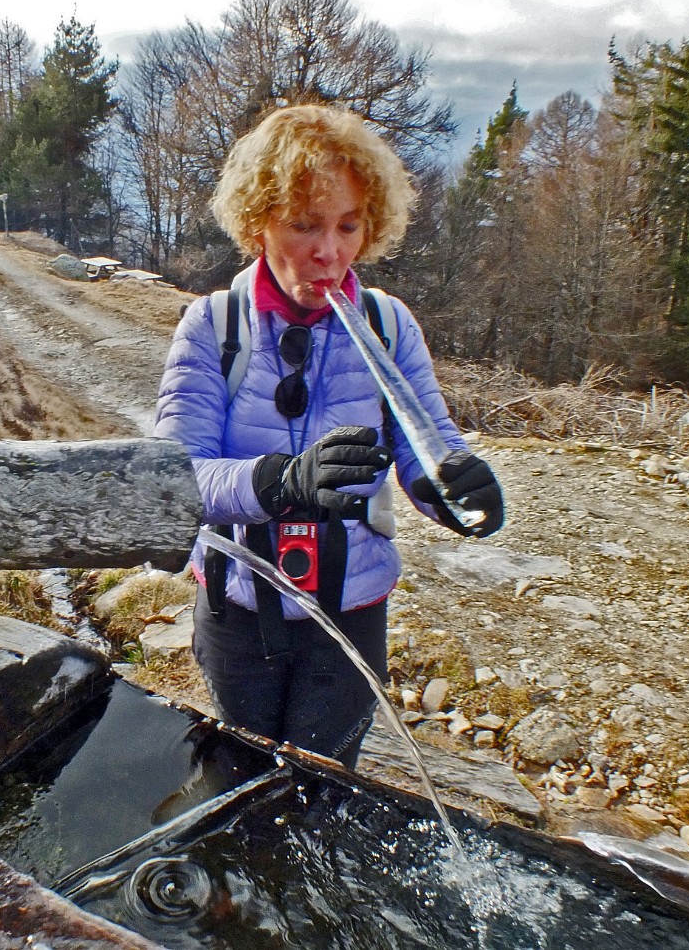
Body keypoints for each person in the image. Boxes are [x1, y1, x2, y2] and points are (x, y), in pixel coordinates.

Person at [153, 104, 504, 767]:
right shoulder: (213, 327)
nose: (330, 251)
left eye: (348, 226)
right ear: (259, 224)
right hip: (237, 602)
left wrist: (453, 486)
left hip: (350, 604)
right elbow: (177, 476)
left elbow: (424, 442)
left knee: (323, 785)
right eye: (304, 225)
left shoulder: (388, 324)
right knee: (243, 777)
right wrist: (278, 482)